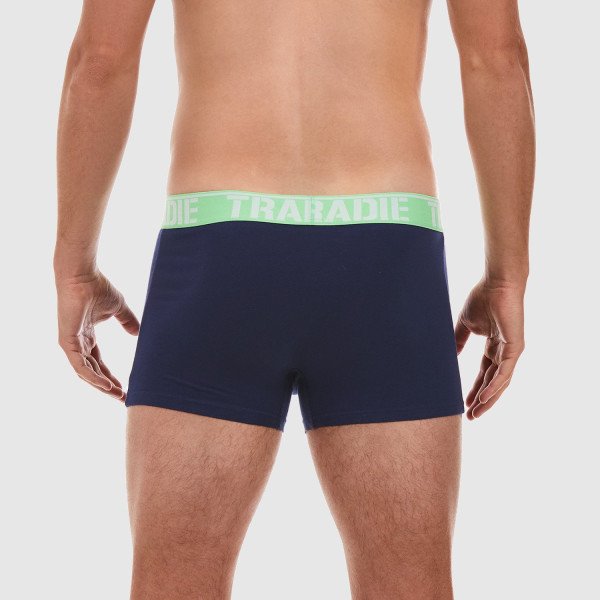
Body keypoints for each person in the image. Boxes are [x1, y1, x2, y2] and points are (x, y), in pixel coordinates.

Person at [54, 0, 534, 597]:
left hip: (219, 247)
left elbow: (100, 62)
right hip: (386, 249)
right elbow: (497, 61)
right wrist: (508, 275)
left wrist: (74, 267)